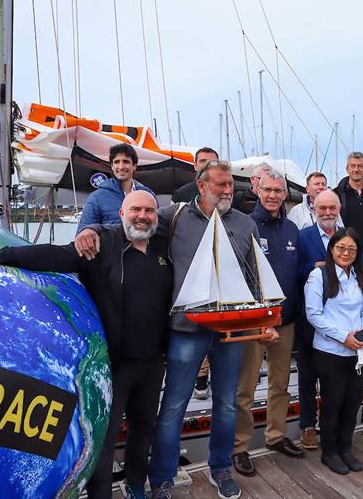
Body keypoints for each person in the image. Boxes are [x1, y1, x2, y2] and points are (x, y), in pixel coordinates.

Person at [75, 160, 272, 499]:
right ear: (201, 185)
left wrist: (264, 322)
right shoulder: (173, 217)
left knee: (226, 403)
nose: (228, 191)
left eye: (231, 186)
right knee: (173, 406)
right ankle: (162, 478)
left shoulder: (244, 224)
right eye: (221, 185)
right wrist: (90, 230)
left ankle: (220, 467)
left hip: (230, 331)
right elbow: (134, 225)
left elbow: (256, 277)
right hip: (185, 327)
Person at [0, 190, 171, 499]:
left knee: (144, 428)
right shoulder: (102, 246)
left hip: (152, 363)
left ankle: (135, 485)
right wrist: (1, 256)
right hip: (113, 364)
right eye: (135, 209)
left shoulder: (163, 250)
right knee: (104, 440)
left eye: (149, 211)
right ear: (121, 214)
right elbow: (53, 255)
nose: (143, 216)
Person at [232, 170, 304, 477]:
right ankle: (239, 446)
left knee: (281, 385)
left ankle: (275, 436)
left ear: (285, 194)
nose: (274, 195)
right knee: (245, 388)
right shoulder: (246, 225)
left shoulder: (291, 229)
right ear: (258, 190)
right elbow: (241, 275)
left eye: (279, 190)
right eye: (269, 190)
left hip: (286, 321)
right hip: (253, 322)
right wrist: (260, 318)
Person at [304, 228, 363, 475]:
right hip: (330, 351)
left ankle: (346, 448)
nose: (346, 253)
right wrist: (344, 337)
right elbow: (314, 315)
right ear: (332, 249)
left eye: (351, 249)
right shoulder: (318, 276)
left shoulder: (360, 277)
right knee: (333, 403)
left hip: (359, 352)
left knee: (353, 401)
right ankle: (330, 451)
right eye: (341, 248)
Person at [295, 189, 343, 450]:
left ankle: (329, 423)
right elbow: (293, 272)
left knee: (332, 377)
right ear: (313, 208)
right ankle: (307, 426)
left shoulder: (345, 238)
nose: (327, 213)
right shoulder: (303, 237)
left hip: (339, 321)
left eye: (331, 208)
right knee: (307, 376)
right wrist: (314, 267)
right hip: (309, 320)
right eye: (322, 208)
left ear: (338, 209)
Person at [173, 147, 220, 399]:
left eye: (211, 161)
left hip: (217, 274)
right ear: (194, 165)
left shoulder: (224, 195)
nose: (206, 164)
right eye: (202, 161)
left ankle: (212, 374)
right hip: (191, 272)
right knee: (196, 326)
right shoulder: (182, 195)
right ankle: (199, 377)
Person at [78, 143, 155, 232]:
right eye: (117, 162)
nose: (121, 167)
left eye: (126, 161)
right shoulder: (96, 198)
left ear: (134, 166)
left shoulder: (148, 196)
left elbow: (156, 228)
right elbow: (83, 236)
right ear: (112, 166)